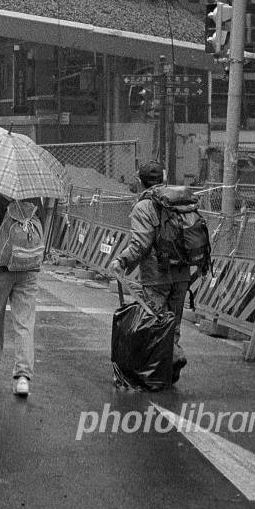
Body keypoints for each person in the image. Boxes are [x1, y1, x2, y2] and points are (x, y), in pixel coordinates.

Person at [108, 161, 190, 382]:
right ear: (162, 179)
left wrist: (121, 261)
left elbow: (141, 244)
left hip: (157, 275)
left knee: (155, 323)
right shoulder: (180, 200)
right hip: (182, 273)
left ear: (139, 181)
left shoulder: (144, 206)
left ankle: (167, 363)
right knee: (173, 322)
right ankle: (169, 370)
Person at [0, 189, 44, 398]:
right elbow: (42, 230)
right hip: (28, 267)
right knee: (25, 323)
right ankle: (22, 377)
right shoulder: (34, 198)